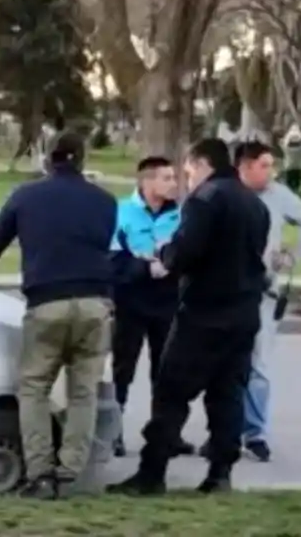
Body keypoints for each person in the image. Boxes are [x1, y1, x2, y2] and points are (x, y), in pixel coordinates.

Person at [0, 131, 117, 500]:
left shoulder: (26, 197)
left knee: (34, 388)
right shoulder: (105, 202)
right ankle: (71, 471)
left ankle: (40, 473)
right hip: (94, 303)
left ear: (48, 158)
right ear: (82, 157)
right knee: (83, 392)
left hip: (46, 302)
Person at [107, 138, 270, 496]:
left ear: (201, 163)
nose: (187, 178)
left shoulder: (205, 200)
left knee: (171, 392)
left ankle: (152, 473)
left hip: (203, 314)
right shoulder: (253, 204)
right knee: (227, 395)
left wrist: (165, 255)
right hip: (244, 315)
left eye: (189, 170)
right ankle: (220, 474)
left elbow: (186, 252)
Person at [198, 141, 301, 462]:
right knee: (220, 366)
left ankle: (255, 433)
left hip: (262, 292)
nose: (271, 172)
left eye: (272, 165)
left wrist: (294, 255)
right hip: (222, 292)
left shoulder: (278, 196)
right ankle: (222, 434)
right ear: (244, 166)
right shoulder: (221, 193)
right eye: (264, 165)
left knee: (257, 365)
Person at [110, 156, 194, 458]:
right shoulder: (120, 212)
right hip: (131, 301)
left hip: (168, 301)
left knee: (167, 371)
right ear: (147, 182)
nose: (174, 184)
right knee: (122, 369)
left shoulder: (182, 214)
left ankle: (165, 434)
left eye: (174, 178)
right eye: (166, 178)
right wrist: (144, 268)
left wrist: (169, 262)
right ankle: (112, 433)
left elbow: (189, 250)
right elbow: (113, 258)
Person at [282, 124, 301, 192]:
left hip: (289, 168)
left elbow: (284, 144)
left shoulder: (287, 149)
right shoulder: (300, 148)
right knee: (296, 188)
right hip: (298, 168)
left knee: (289, 188)